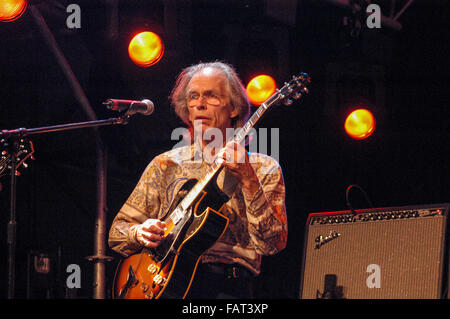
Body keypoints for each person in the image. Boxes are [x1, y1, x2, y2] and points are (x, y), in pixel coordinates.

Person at [108, 61, 288, 299]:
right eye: (193, 97)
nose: (200, 104)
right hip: (163, 283)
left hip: (228, 288)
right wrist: (140, 232)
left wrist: (248, 178)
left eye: (212, 96)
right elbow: (116, 234)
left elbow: (272, 244)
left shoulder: (262, 168)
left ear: (233, 108)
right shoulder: (165, 165)